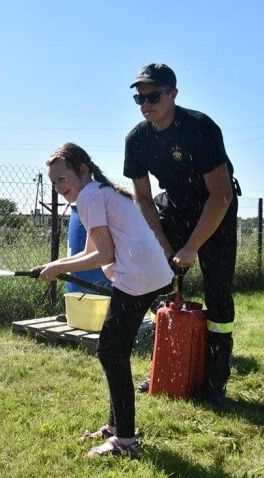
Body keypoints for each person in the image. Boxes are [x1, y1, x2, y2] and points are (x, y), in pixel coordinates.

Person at [35, 143, 173, 458]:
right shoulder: (98, 191)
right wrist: (56, 266)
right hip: (148, 274)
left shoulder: (90, 197)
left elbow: (104, 255)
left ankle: (125, 442)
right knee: (115, 352)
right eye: (55, 183)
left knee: (111, 353)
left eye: (63, 178)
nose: (60, 188)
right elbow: (94, 249)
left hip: (136, 278)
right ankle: (115, 428)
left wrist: (58, 266)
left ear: (82, 168)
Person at [124, 63, 239, 406]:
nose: (146, 104)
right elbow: (142, 198)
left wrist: (190, 248)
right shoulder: (137, 138)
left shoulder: (200, 128)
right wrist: (162, 245)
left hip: (213, 208)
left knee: (218, 293)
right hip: (174, 206)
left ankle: (215, 380)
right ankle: (166, 367)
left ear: (173, 94)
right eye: (139, 98)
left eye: (154, 96)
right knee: (160, 281)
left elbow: (221, 196)